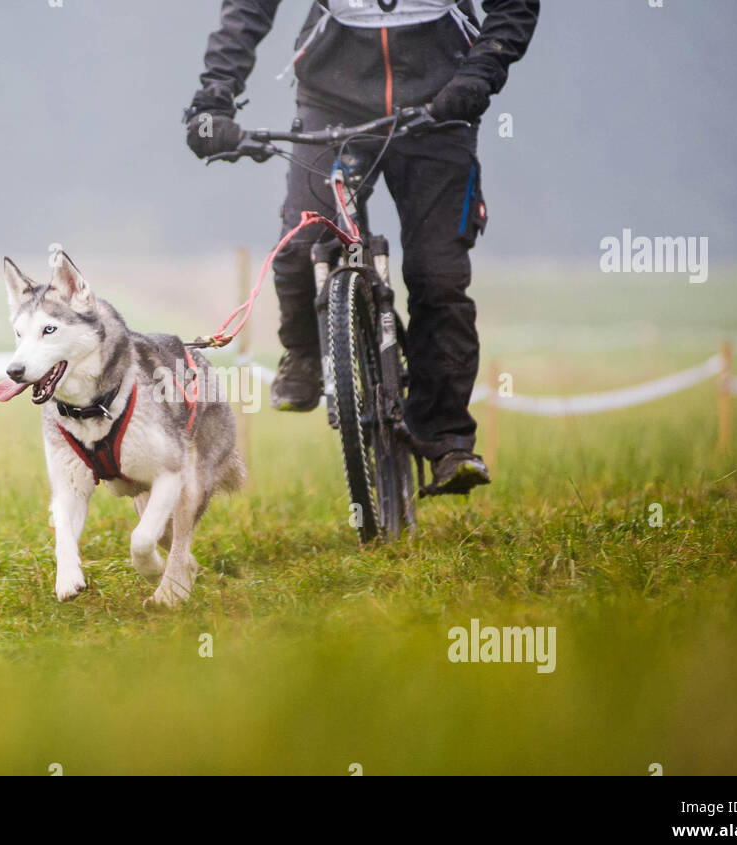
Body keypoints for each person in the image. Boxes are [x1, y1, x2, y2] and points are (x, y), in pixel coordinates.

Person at [185, 0, 538, 494]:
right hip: (332, 100)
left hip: (442, 102)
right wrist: (214, 100)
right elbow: (248, 9)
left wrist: (480, 73)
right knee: (302, 243)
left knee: (438, 276)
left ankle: (447, 439)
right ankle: (306, 353)